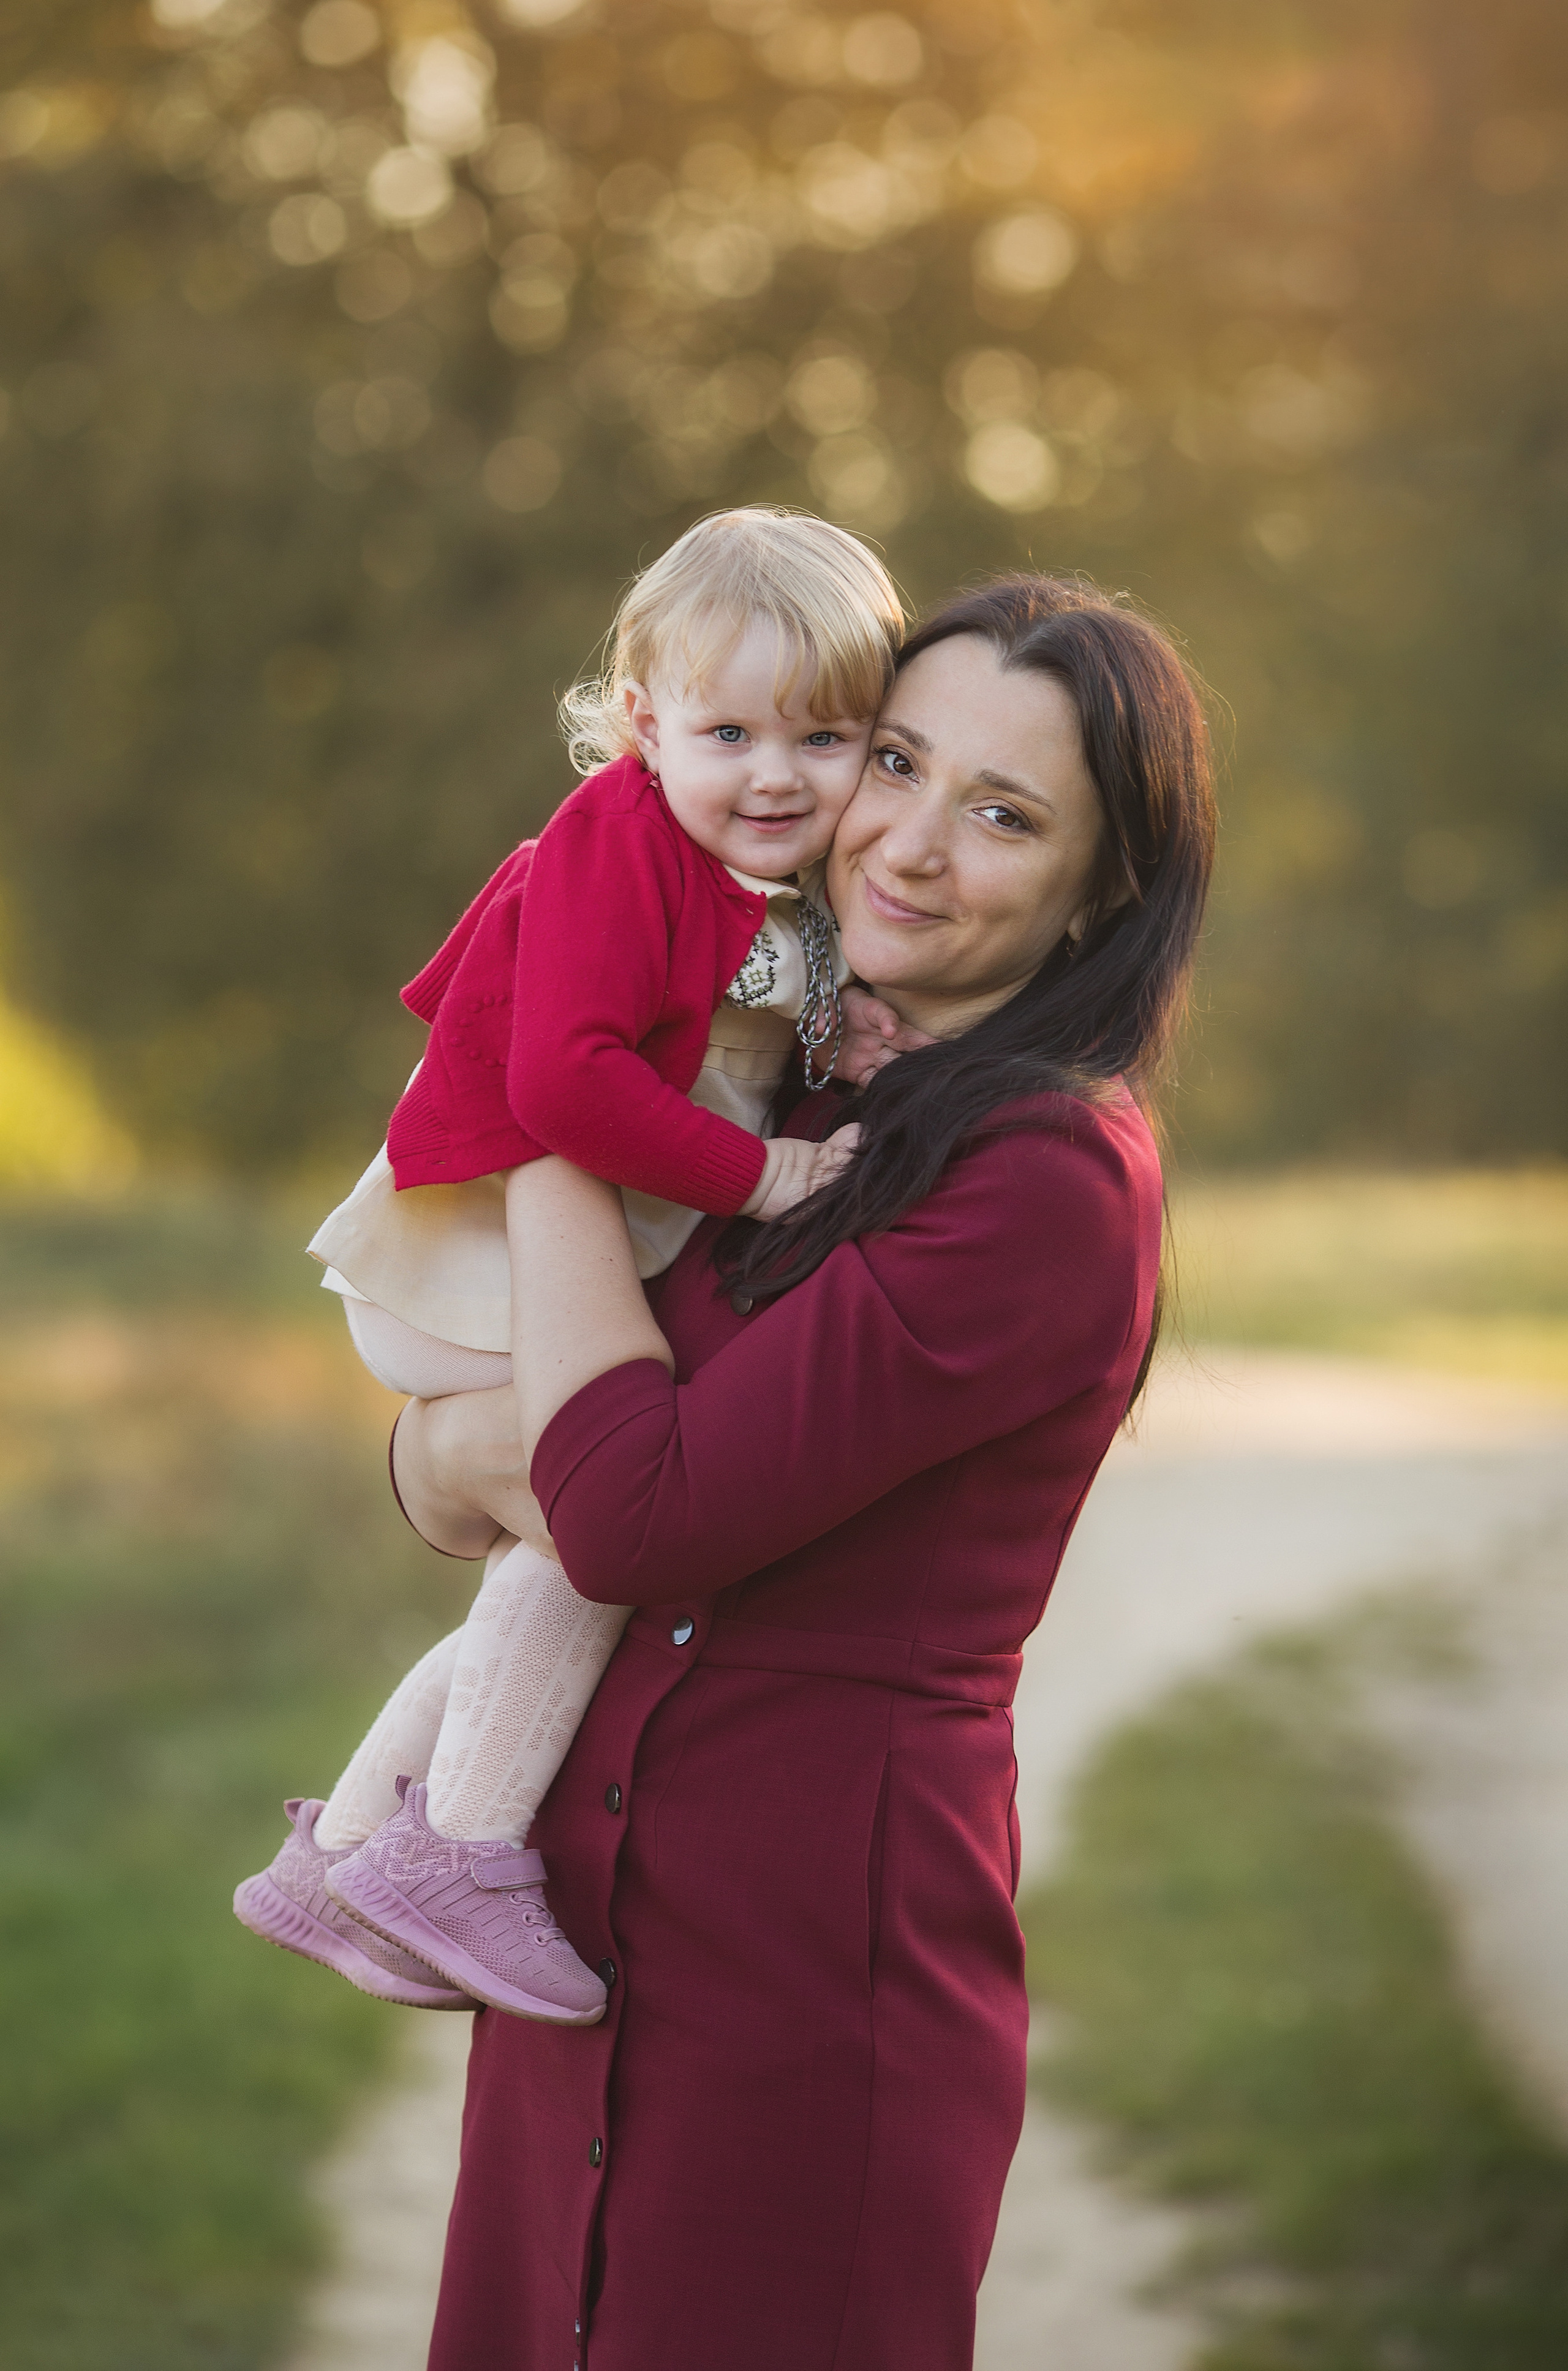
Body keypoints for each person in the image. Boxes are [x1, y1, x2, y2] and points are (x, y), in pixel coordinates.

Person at [387, 573, 1217, 2371]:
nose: (907, 844)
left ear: (1103, 890)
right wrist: (453, 1445)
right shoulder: (792, 1088)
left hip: (798, 2005)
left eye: (1003, 815)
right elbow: (455, 1478)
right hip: (579, 1970)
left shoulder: (1045, 1180)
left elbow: (623, 1515)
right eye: (893, 762)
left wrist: (546, 1104)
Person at [233, 508, 905, 2023]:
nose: (776, 774)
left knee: (564, 1536)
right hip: (471, 1251)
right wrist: (766, 1177)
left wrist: (844, 1033)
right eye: (729, 733)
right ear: (644, 723)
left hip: (544, 1260)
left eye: (824, 737)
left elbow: (746, 1015)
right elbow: (565, 1082)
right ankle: (459, 1851)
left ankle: (338, 1856)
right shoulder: (618, 837)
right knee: (607, 1519)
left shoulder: (761, 880)